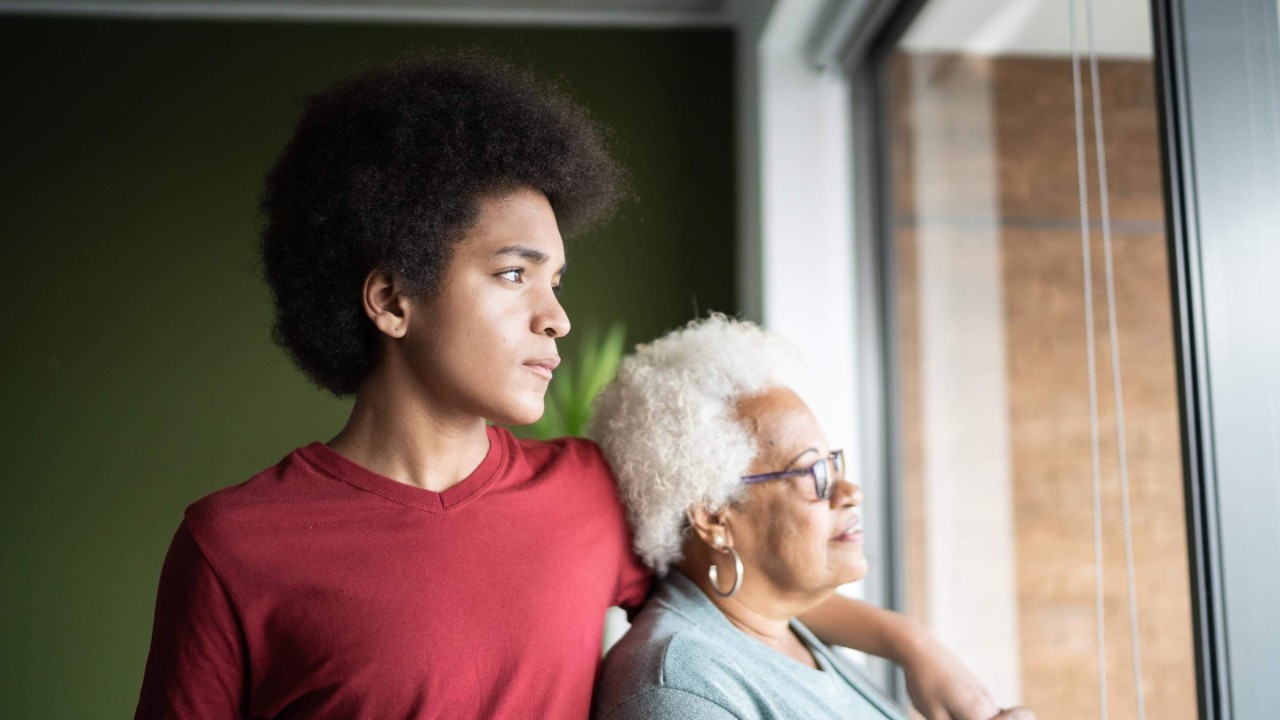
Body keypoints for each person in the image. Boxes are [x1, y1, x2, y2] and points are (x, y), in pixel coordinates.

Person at [136, 54, 1005, 719]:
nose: (556, 318)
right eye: (515, 275)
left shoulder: (585, 494)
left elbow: (750, 587)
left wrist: (912, 645)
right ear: (393, 299)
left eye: (557, 282)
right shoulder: (234, 548)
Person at [590, 316, 1035, 720]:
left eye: (833, 463)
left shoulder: (778, 625)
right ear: (713, 516)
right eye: (813, 473)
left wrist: (910, 639)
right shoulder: (682, 694)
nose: (850, 492)